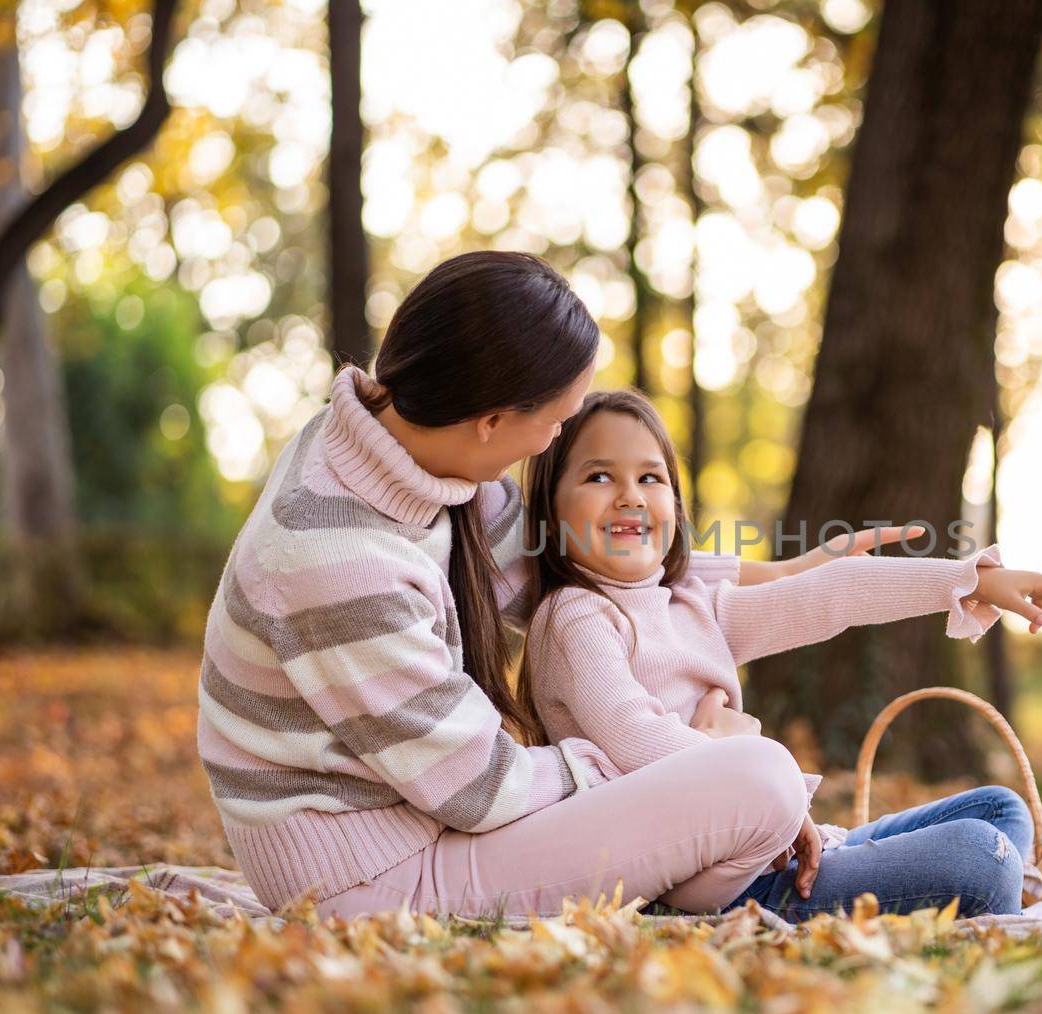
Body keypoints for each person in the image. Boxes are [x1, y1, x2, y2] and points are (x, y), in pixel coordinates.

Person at [197, 251, 878, 919]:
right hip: (369, 873)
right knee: (760, 779)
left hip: (429, 816)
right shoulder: (337, 562)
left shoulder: (395, 443)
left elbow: (572, 564)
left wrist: (779, 577)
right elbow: (479, 786)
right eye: (556, 422)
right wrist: (676, 755)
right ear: (492, 420)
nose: (554, 440)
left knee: (760, 779)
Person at [518, 388, 1042, 919]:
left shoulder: (690, 604)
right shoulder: (576, 614)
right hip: (708, 883)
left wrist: (970, 580)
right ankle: (943, 894)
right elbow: (636, 740)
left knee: (1001, 811)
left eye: (651, 478)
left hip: (768, 842)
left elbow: (830, 595)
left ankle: (932, 885)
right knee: (983, 855)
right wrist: (767, 785)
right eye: (599, 477)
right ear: (550, 505)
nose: (629, 497)